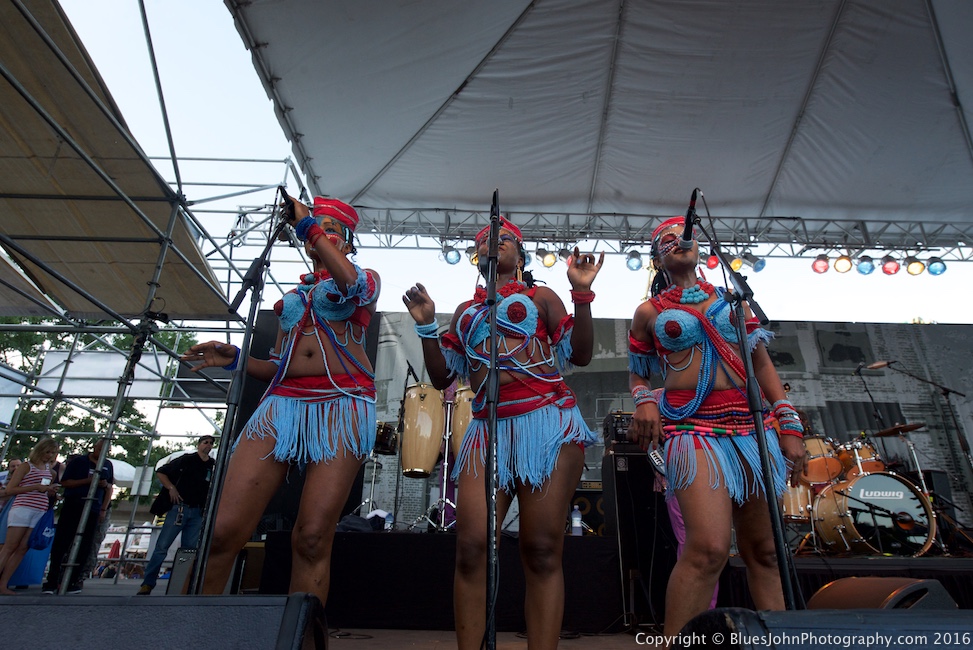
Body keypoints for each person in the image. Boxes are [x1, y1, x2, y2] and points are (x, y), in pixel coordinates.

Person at [402, 217, 603, 649]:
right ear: (478, 259)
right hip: (488, 431)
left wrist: (581, 294)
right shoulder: (465, 313)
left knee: (543, 550)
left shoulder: (542, 297)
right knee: (471, 547)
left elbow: (581, 354)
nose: (495, 245)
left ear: (521, 252)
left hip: (548, 426)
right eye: (486, 243)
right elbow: (441, 379)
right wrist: (424, 325)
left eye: (505, 239)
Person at [182, 194, 379, 606]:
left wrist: (308, 225)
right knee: (222, 531)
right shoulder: (291, 296)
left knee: (310, 538)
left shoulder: (363, 279)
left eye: (331, 230)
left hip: (341, 404)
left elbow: (348, 283)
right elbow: (279, 365)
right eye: (316, 227)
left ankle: (302, 636)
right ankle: (186, 631)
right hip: (283, 404)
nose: (320, 234)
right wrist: (235, 359)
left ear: (347, 243)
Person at [627, 216, 806, 638]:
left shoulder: (733, 299)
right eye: (664, 241)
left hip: (751, 431)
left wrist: (788, 422)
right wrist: (644, 401)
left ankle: (778, 644)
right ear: (657, 260)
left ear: (700, 249)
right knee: (707, 549)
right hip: (692, 430)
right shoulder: (649, 312)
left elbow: (761, 362)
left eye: (682, 236)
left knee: (764, 550)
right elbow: (639, 374)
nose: (675, 242)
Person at [137, 435, 217, 595]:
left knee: (189, 550)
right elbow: (161, 472)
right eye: (205, 442)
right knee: (162, 546)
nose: (208, 445)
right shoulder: (187, 459)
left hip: (198, 510)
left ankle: (183, 583)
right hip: (180, 508)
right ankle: (148, 583)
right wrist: (171, 488)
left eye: (210, 443)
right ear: (199, 444)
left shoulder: (212, 465)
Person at [42, 437, 114, 594]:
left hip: (94, 508)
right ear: (94, 447)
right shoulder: (79, 462)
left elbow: (110, 487)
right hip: (74, 504)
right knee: (62, 542)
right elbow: (65, 483)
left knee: (86, 545)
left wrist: (103, 508)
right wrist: (88, 481)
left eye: (105, 450)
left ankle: (73, 581)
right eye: (99, 449)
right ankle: (52, 580)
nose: (102, 453)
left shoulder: (108, 465)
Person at [0, 438, 59, 594]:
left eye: (53, 453)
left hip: (39, 510)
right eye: (48, 452)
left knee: (23, 548)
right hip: (23, 508)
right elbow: (10, 489)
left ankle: (3, 584)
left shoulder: (50, 470)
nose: (50, 456)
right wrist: (35, 487)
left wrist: (49, 490)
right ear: (40, 450)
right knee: (9, 547)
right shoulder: (26, 466)